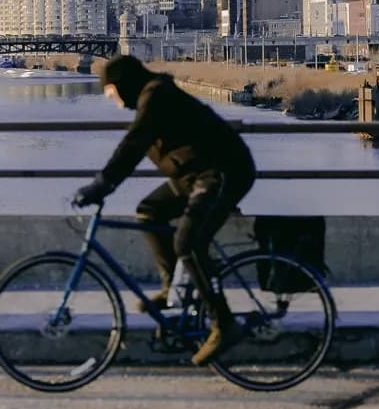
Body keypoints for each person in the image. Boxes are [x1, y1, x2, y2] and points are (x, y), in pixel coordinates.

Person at [72, 54, 256, 367]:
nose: (113, 101)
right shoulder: (151, 96)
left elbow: (133, 144)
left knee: (189, 242)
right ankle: (173, 288)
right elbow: (137, 144)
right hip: (193, 175)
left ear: (125, 85)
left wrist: (102, 184)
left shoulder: (156, 96)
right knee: (149, 210)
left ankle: (223, 323)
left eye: (112, 93)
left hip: (222, 172)